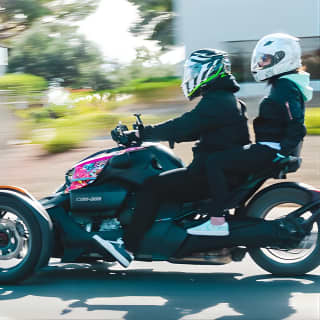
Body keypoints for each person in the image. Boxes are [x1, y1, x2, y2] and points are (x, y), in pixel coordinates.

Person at [93, 48, 252, 267]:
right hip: (220, 171)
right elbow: (194, 129)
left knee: (152, 186)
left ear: (209, 71)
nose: (190, 75)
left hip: (207, 174)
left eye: (195, 70)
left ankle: (128, 245)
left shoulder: (216, 101)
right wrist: (156, 133)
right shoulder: (228, 100)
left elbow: (182, 125)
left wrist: (142, 133)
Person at [187, 33, 313, 236]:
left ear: (283, 58)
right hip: (270, 148)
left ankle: (217, 221)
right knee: (228, 161)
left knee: (214, 162)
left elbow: (296, 124)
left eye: (266, 59)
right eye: (261, 59)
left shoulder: (284, 87)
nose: (261, 64)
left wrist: (284, 153)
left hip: (271, 150)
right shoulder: (284, 84)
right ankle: (228, 215)